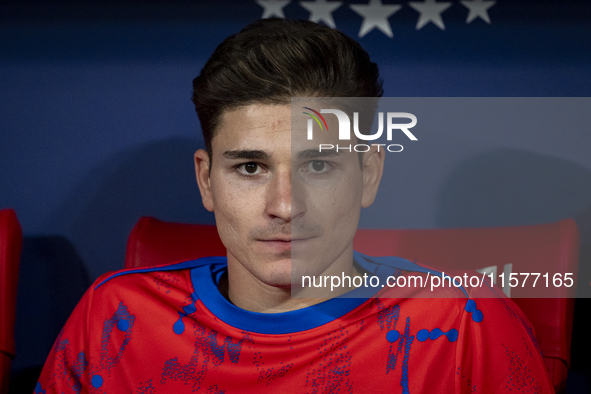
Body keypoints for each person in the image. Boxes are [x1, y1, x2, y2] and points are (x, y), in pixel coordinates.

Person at [36, 18, 553, 393]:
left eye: (319, 166)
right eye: (250, 168)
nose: (285, 205)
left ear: (367, 175)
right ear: (206, 181)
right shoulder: (114, 315)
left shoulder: (463, 323)